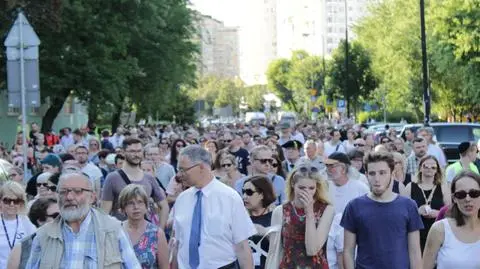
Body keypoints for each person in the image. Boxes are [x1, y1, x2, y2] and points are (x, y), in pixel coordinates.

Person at [25, 172, 141, 269]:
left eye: (78, 191)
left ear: (92, 197)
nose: (69, 197)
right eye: (63, 192)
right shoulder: (44, 235)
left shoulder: (113, 229)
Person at [172, 145, 256, 268]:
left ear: (201, 167)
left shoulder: (230, 197)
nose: (179, 174)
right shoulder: (182, 199)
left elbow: (242, 246)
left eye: (183, 170)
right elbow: (178, 243)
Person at [341, 151, 423, 269]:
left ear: (392, 174)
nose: (377, 179)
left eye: (382, 173)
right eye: (372, 173)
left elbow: (415, 251)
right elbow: (348, 251)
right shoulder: (354, 206)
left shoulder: (408, 206)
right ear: (366, 175)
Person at [266, 163, 334, 268]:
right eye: (302, 188)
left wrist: (309, 213)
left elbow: (312, 249)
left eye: (311, 188)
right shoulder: (280, 211)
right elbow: (273, 251)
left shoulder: (326, 210)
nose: (307, 192)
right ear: (293, 185)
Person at [101, 138, 169, 228]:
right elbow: (104, 212)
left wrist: (160, 230)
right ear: (123, 152)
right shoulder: (112, 178)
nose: (136, 155)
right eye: (132, 151)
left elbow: (164, 206)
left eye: (139, 151)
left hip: (144, 234)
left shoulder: (149, 178)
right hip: (120, 233)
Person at [423, 171, 480, 269]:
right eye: (461, 194)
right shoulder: (440, 229)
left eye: (474, 193)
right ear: (454, 198)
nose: (467, 199)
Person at [403, 155, 451, 252]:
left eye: (433, 167)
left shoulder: (443, 187)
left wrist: (438, 213)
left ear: (437, 170)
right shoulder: (410, 186)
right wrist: (417, 211)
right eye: (426, 166)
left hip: (438, 232)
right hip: (415, 233)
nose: (429, 169)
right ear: (420, 168)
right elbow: (402, 211)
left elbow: (450, 211)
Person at [119, 184, 169, 269]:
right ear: (123, 208)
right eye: (131, 203)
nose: (136, 207)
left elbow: (165, 267)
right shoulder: (116, 231)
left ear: (146, 206)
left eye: (140, 202)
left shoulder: (157, 233)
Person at [7, 197, 59, 269]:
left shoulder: (70, 242)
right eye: (56, 216)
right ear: (40, 220)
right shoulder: (22, 248)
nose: (61, 220)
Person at [242, 175, 276, 269]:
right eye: (243, 192)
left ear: (262, 194)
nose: (244, 196)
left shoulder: (276, 216)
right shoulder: (239, 218)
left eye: (249, 192)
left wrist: (266, 232)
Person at [0, 181, 36, 269]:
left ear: (21, 203)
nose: (12, 204)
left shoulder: (26, 222)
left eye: (16, 201)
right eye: (7, 200)